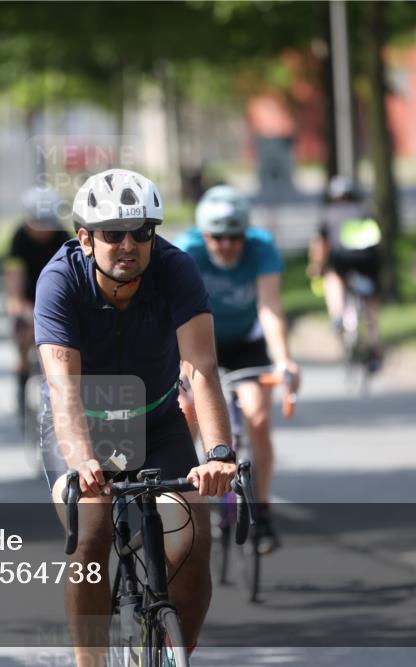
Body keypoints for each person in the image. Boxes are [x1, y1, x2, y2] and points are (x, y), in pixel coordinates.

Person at [34, 168, 237, 664]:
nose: (129, 244)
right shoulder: (60, 281)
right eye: (112, 234)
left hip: (157, 419)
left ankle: (174, 654)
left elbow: (203, 368)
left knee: (192, 540)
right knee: (92, 533)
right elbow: (63, 388)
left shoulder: (176, 270)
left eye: (142, 231)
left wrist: (218, 455)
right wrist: (83, 460)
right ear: (85, 238)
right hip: (83, 421)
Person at [174, 184, 301, 555]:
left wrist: (284, 360)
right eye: (217, 237)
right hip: (200, 344)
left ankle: (261, 513)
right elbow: (174, 316)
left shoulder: (261, 247)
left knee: (258, 418)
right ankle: (178, 506)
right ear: (203, 234)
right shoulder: (188, 250)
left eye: (234, 236)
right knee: (187, 414)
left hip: (246, 344)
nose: (227, 245)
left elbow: (270, 309)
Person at [5, 186, 71, 428]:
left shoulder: (62, 237)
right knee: (24, 336)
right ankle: (22, 385)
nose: (43, 230)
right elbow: (14, 283)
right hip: (27, 297)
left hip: (55, 299)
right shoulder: (19, 238)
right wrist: (19, 308)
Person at [307, 175, 383, 369]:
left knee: (332, 278)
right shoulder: (366, 211)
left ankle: (337, 316)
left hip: (342, 259)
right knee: (371, 304)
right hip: (368, 260)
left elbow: (321, 245)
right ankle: (374, 348)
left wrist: (317, 267)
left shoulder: (329, 214)